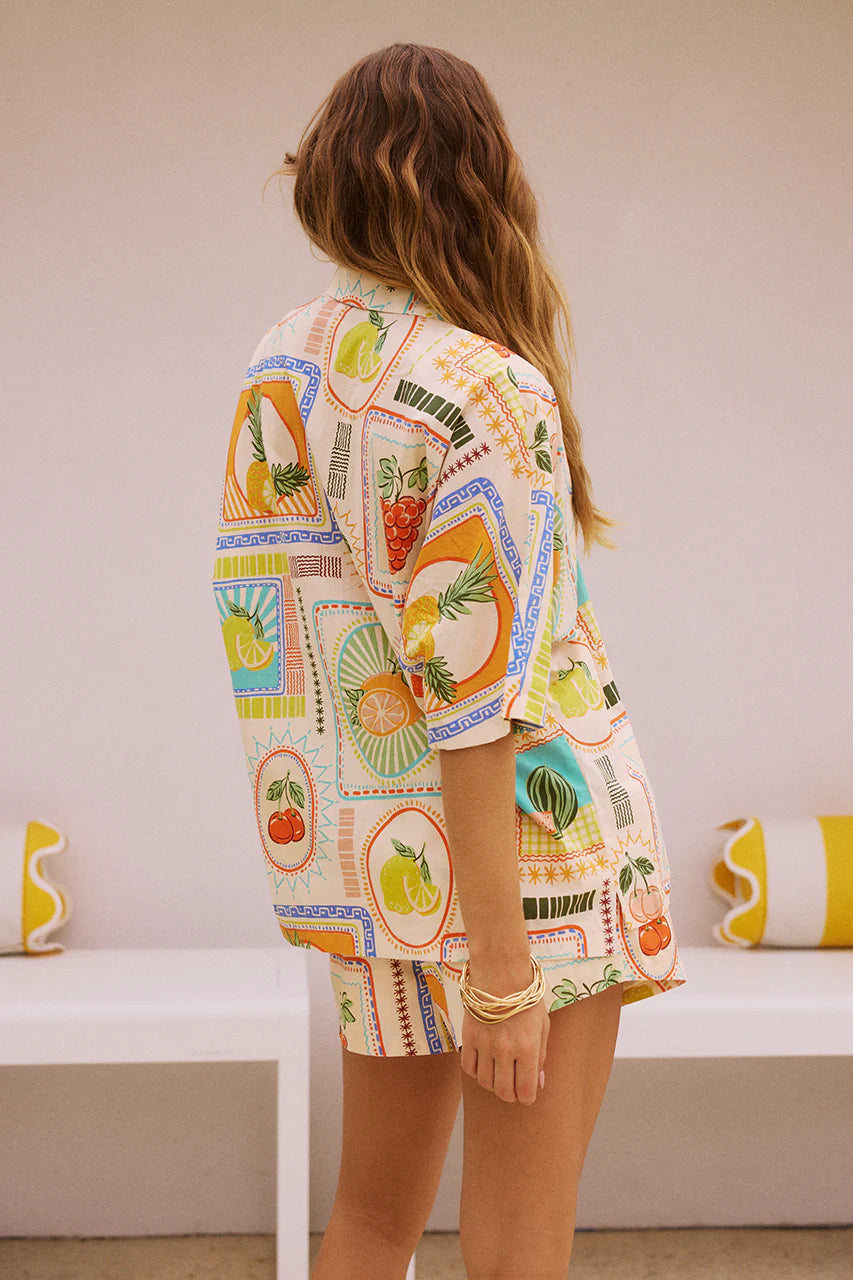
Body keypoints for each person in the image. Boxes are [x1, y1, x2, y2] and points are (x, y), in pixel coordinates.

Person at [211, 41, 687, 1280]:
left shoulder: (282, 364)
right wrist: (503, 970)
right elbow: (474, 703)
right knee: (520, 1249)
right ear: (484, 183)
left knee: (372, 1222)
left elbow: (279, 629)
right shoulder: (490, 386)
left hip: (380, 864)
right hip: (529, 872)